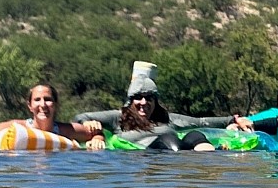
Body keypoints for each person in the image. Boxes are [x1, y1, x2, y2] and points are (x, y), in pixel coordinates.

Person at [76, 62, 252, 151]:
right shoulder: (118, 117)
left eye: (149, 98)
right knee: (169, 139)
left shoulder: (166, 118)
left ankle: (212, 162)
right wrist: (95, 131)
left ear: (155, 100)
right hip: (151, 158)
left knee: (195, 134)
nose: (144, 103)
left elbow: (201, 121)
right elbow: (80, 117)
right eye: (138, 98)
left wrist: (232, 119)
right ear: (131, 100)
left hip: (178, 159)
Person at [0, 83, 98, 150]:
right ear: (30, 106)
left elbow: (96, 133)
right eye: (37, 100)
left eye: (48, 99)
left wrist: (97, 138)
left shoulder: (67, 130)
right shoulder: (15, 126)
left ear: (56, 104)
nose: (43, 104)